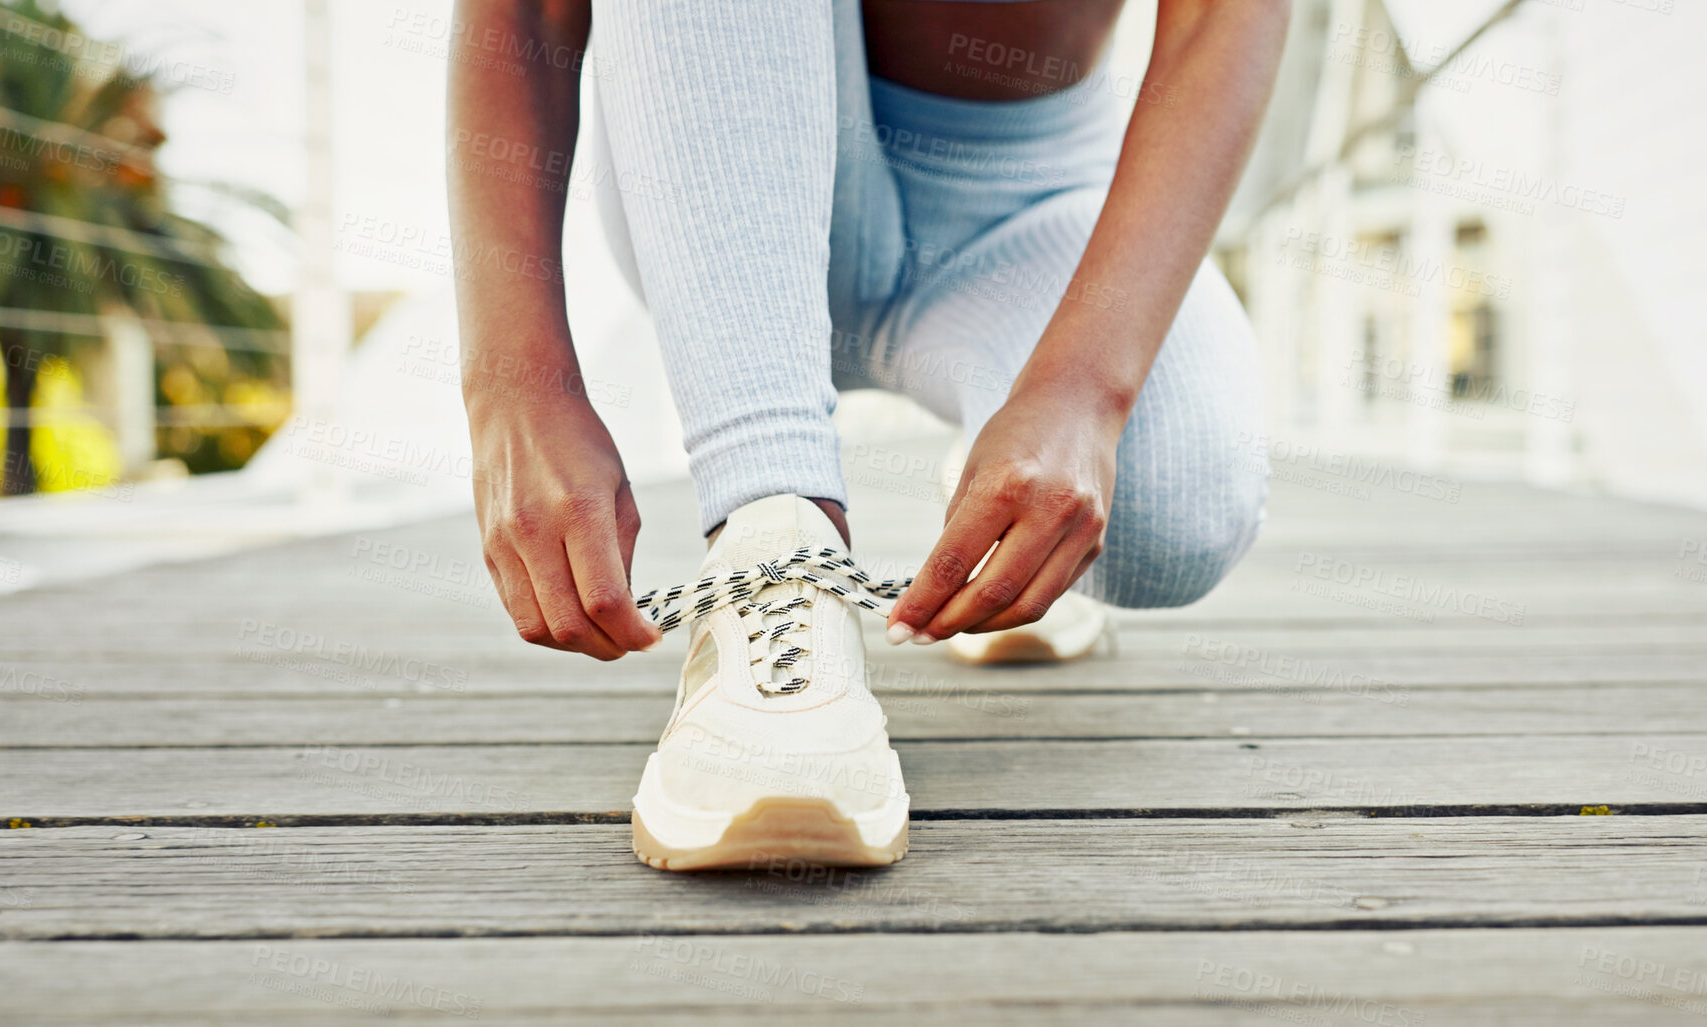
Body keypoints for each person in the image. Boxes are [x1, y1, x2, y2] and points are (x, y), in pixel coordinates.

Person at [445, 0, 1290, 870]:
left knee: (1180, 508)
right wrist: (511, 385)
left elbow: (1223, 21)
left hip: (1028, 186)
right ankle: (772, 539)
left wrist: (1080, 394)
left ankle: (1000, 475)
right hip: (729, 146)